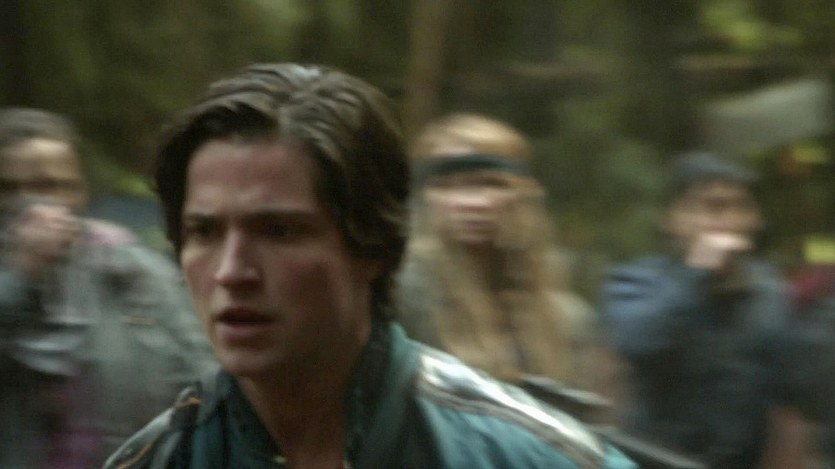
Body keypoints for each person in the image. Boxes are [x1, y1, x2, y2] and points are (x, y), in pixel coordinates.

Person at [105, 63, 635, 468]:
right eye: (205, 233)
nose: (231, 271)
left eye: (279, 231)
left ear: (371, 247)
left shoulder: (514, 455)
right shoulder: (161, 459)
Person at [0, 108, 216, 466]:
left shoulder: (133, 271)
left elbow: (201, 378)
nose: (32, 204)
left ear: (79, 192)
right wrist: (21, 277)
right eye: (8, 188)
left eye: (50, 186)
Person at [601, 151, 807, 468]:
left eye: (741, 207)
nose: (730, 222)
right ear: (672, 219)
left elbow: (788, 403)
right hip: (652, 461)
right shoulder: (637, 282)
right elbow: (637, 342)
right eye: (714, 208)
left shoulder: (770, 294)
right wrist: (697, 273)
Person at [396, 113, 603, 395]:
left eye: (490, 183)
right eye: (448, 186)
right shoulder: (403, 296)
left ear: (523, 194)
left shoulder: (564, 316)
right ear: (425, 197)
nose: (472, 203)